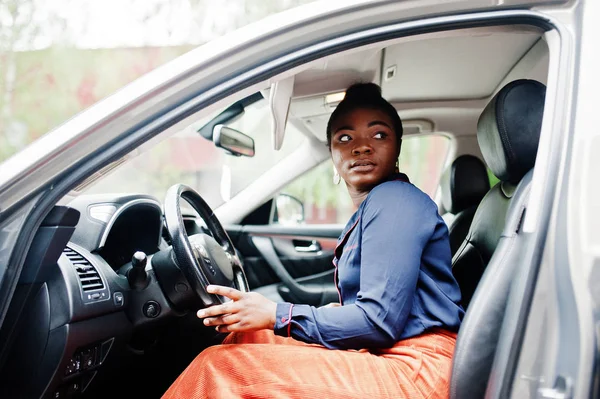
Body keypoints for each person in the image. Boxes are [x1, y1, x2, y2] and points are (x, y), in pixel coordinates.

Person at [162, 83, 464, 399]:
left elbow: (378, 321)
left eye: (379, 135)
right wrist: (274, 318)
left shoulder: (396, 200)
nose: (361, 147)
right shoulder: (376, 206)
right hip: (392, 353)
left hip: (417, 372)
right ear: (333, 154)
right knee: (249, 337)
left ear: (397, 147)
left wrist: (277, 313)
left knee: (218, 368)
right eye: (345, 138)